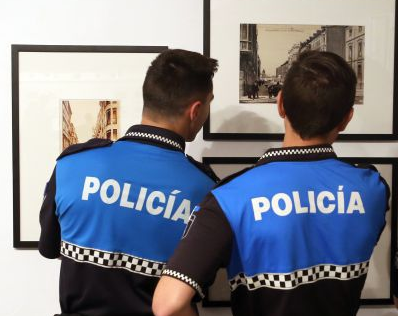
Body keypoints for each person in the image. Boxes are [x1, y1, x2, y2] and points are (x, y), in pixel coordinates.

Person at [152, 51, 390, 316]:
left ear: (280, 105)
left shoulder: (231, 196)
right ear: (347, 118)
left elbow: (168, 305)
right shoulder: (373, 189)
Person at [38, 49, 219, 316]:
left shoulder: (71, 164)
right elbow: (195, 287)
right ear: (196, 110)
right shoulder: (204, 190)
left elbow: (49, 248)